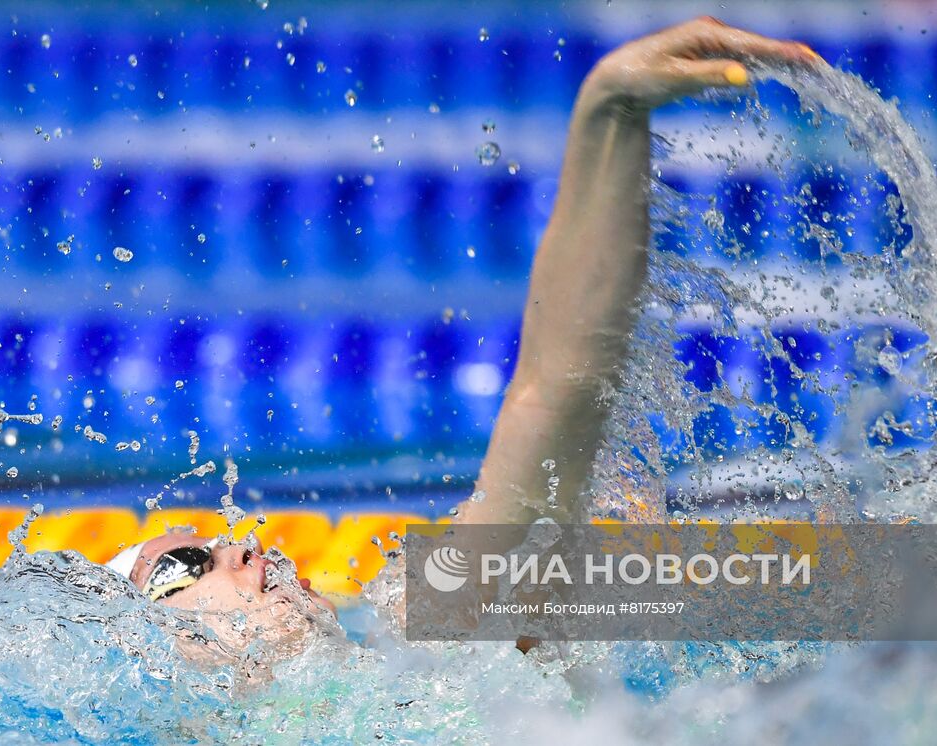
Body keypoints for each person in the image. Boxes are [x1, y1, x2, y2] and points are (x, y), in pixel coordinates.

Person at [102, 17, 819, 659]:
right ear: (159, 660)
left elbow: (552, 394)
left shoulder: (437, 647)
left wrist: (610, 111)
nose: (241, 545)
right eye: (184, 566)